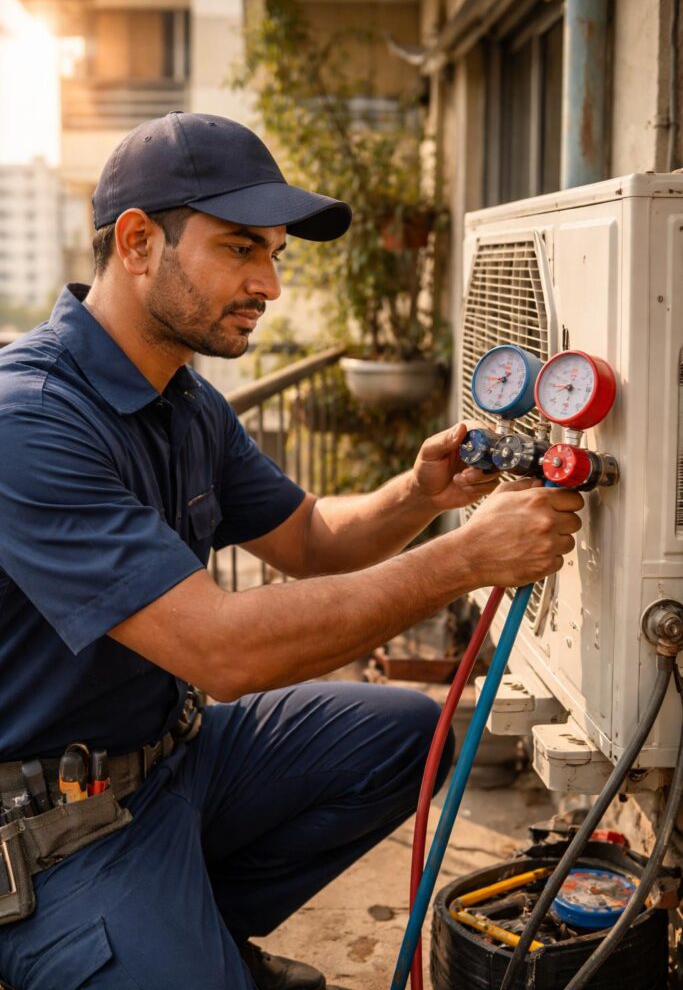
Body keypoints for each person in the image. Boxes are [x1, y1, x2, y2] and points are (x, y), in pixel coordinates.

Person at [0, 112, 582, 990]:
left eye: (276, 253)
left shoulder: (184, 402)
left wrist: (417, 495)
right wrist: (463, 561)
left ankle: (195, 924)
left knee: (409, 738)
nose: (269, 283)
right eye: (241, 249)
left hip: (174, 763)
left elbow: (309, 539)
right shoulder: (31, 420)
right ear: (137, 241)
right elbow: (222, 651)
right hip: (55, 825)